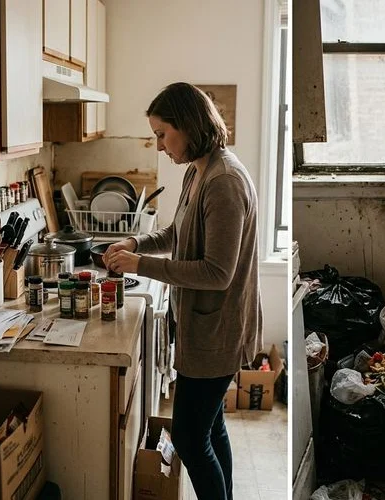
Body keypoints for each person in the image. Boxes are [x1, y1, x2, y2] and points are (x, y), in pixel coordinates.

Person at [103, 82, 263, 500]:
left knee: (191, 439)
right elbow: (179, 233)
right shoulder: (199, 169)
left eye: (162, 133)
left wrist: (141, 265)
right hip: (205, 329)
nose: (159, 146)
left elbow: (217, 272)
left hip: (218, 333)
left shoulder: (224, 181)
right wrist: (136, 243)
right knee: (211, 427)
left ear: (188, 126)